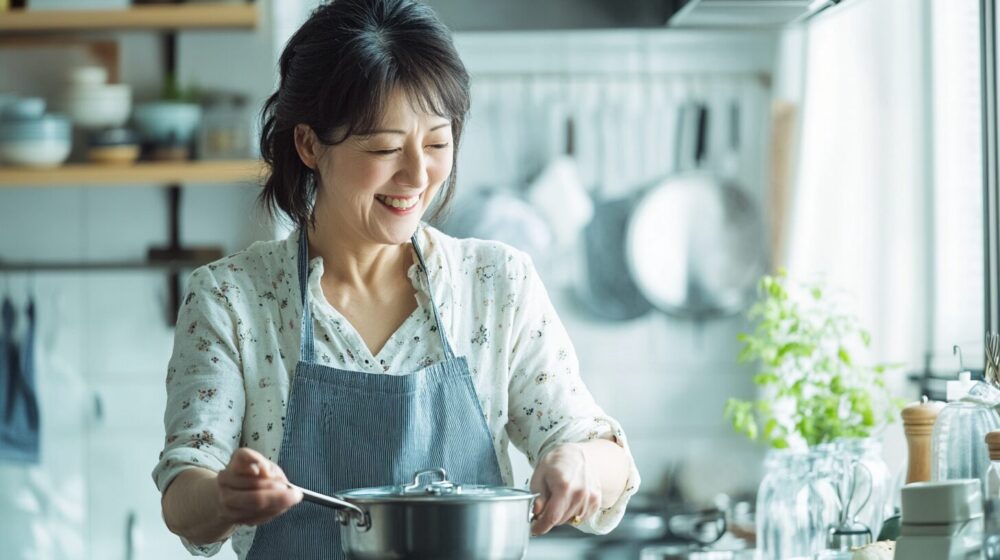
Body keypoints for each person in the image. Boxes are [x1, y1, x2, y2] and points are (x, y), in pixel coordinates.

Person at [152, 0, 639, 557]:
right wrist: (224, 497)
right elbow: (183, 492)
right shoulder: (232, 300)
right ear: (309, 144)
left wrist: (577, 462)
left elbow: (604, 454)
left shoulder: (496, 285)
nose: (416, 175)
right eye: (384, 148)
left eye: (436, 143)